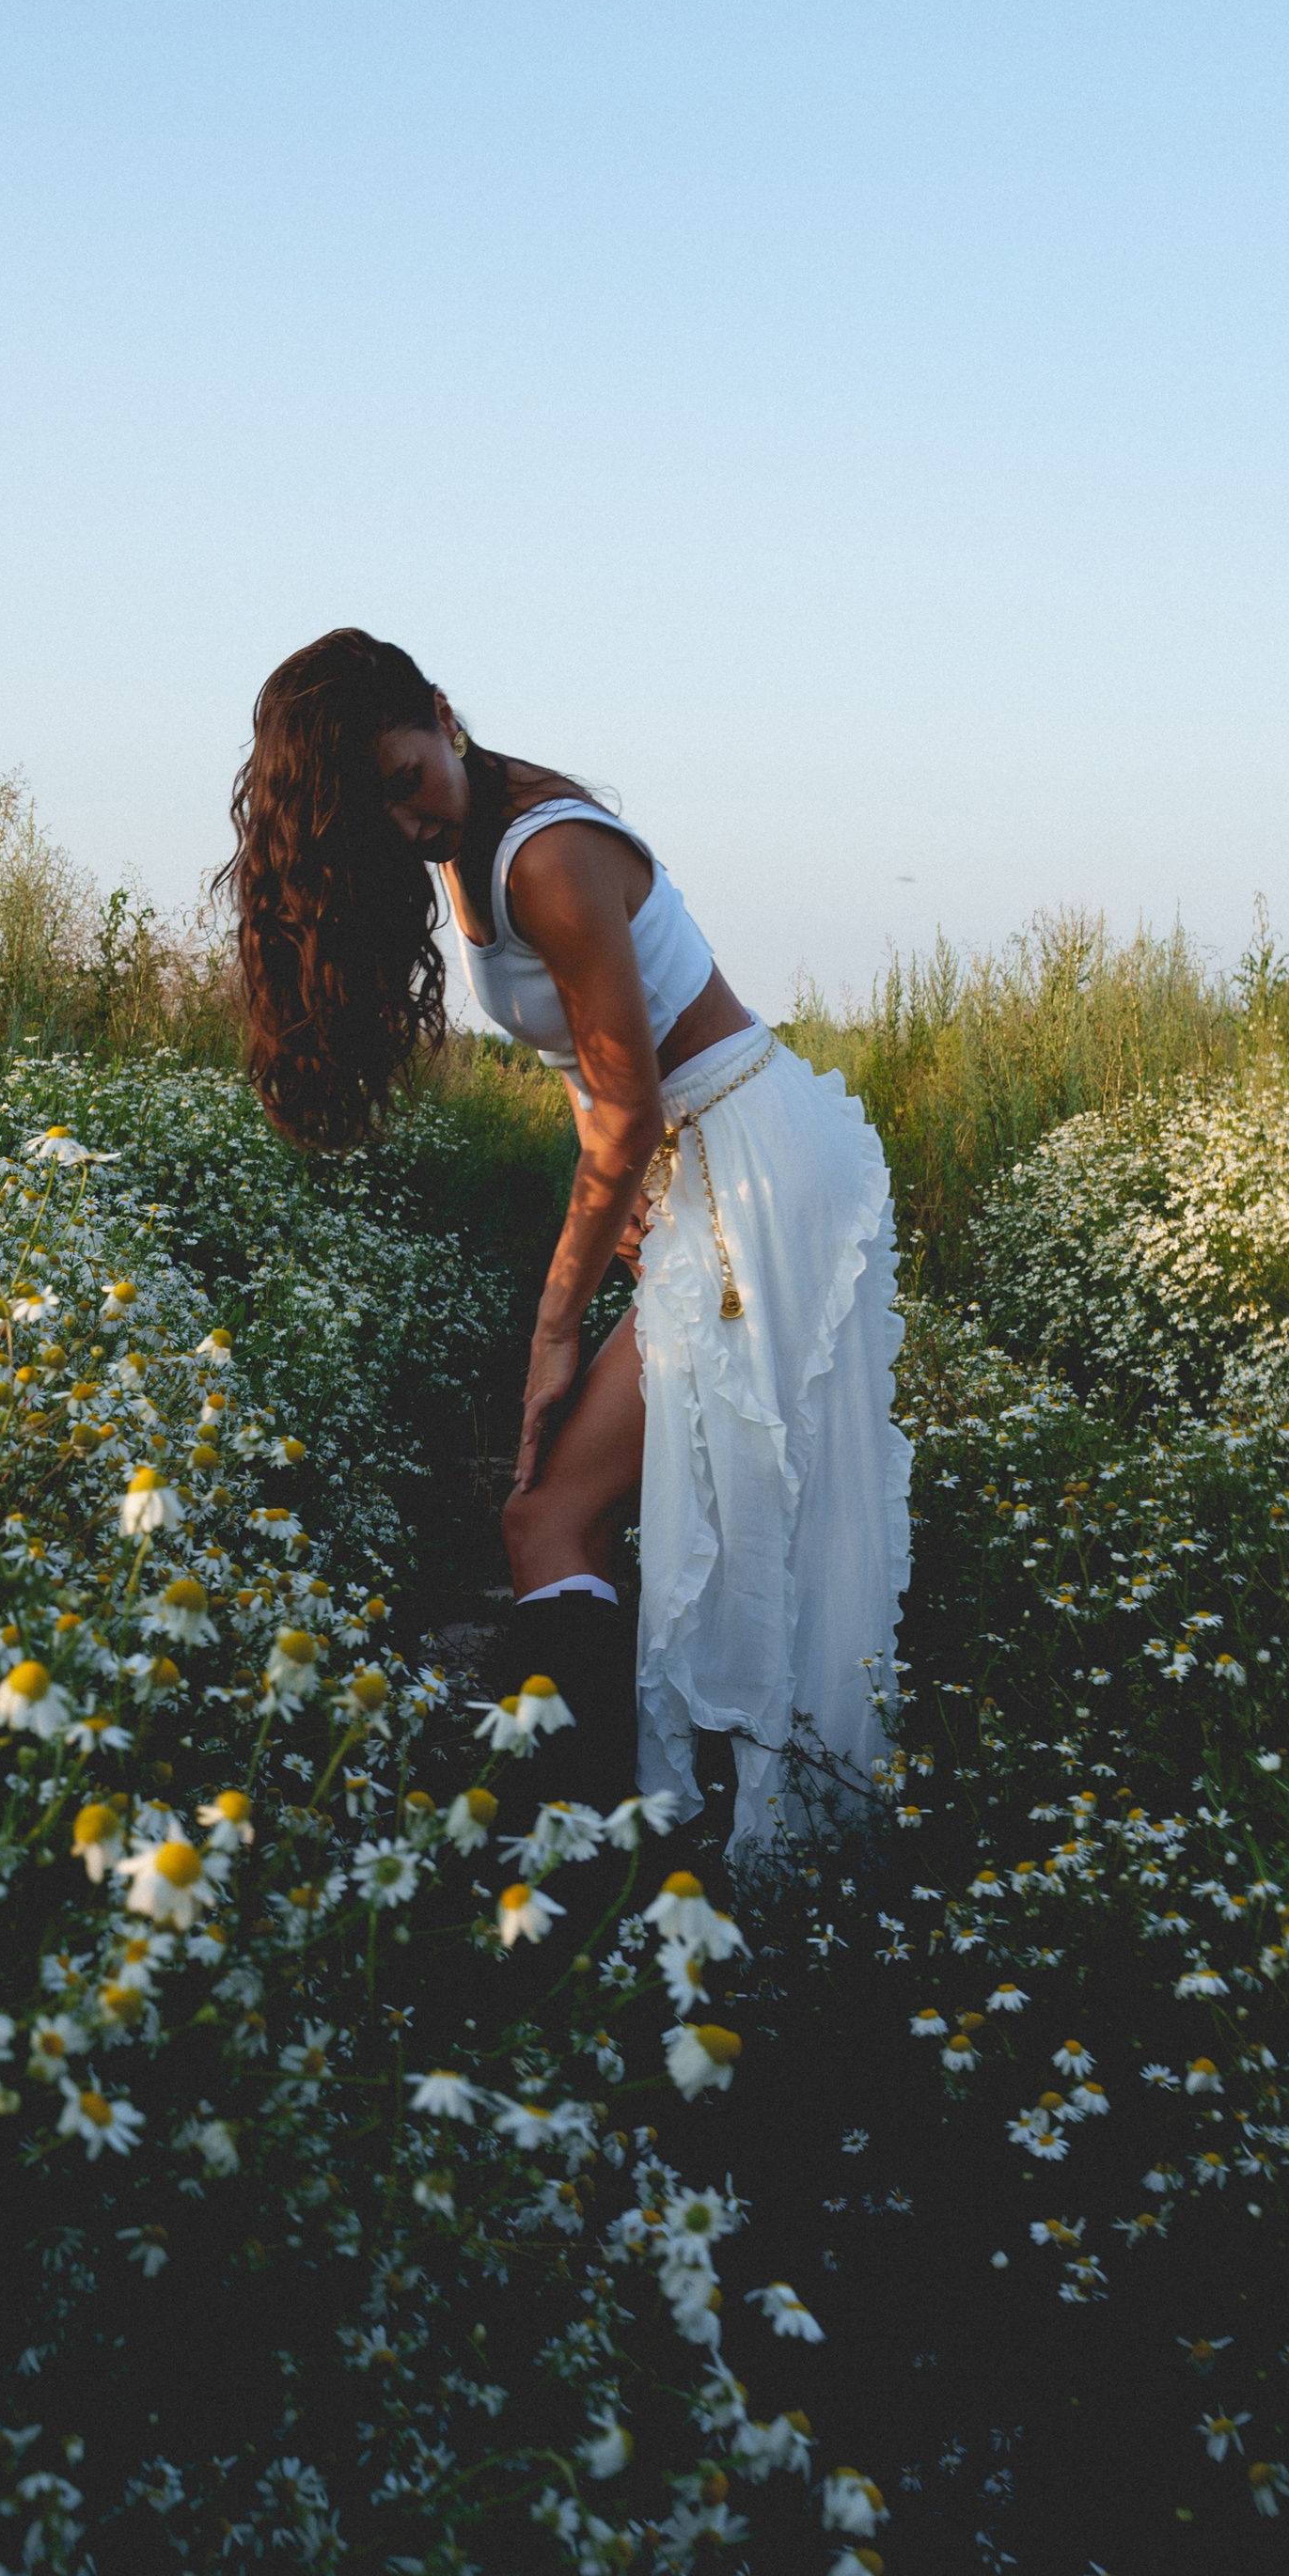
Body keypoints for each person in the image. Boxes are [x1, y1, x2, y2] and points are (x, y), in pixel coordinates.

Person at [223, 626, 909, 1854]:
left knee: (556, 1515)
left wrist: (555, 1332)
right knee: (576, 1516)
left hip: (757, 1170)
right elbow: (594, 1065)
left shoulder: (543, 853)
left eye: (406, 780)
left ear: (444, 712)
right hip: (710, 1162)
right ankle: (619, 1835)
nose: (405, 819)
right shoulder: (468, 827)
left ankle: (612, 1843)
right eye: (369, 805)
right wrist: (640, 1178)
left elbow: (635, 1093)